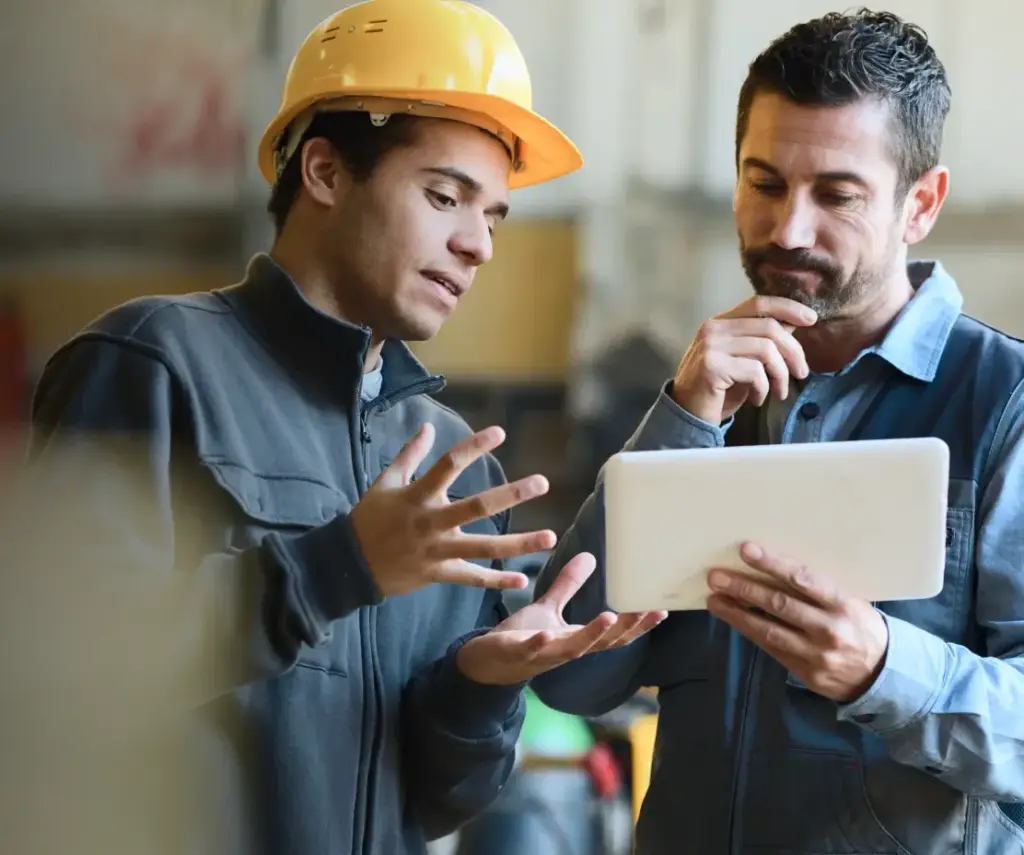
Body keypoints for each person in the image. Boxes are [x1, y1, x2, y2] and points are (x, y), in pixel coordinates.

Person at [16, 2, 665, 854]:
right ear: (324, 171)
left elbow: (441, 800)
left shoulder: (448, 459)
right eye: (445, 196)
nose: (477, 245)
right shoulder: (155, 365)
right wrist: (338, 567)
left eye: (495, 216)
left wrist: (479, 685)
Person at [531, 9, 1024, 854]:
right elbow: (572, 671)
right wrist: (683, 418)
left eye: (836, 195)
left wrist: (882, 668)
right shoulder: (707, 396)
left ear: (922, 205)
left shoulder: (1004, 403)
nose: (788, 230)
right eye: (764, 183)